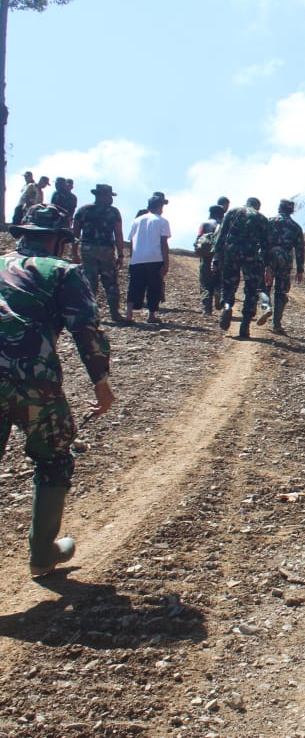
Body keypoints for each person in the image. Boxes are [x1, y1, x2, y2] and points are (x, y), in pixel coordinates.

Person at [1, 204, 114, 577]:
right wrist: (101, 383)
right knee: (53, 457)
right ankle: (42, 554)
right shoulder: (63, 271)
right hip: (32, 380)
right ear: (58, 239)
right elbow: (86, 329)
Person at [213, 196, 270, 338]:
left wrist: (216, 255)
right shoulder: (262, 218)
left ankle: (227, 306)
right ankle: (245, 325)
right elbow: (265, 244)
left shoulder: (233, 212)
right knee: (251, 289)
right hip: (251, 255)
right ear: (257, 207)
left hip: (231, 252)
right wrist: (267, 265)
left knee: (229, 284)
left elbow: (221, 234)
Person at [71, 184, 126, 322]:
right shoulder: (113, 212)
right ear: (103, 196)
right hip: (106, 251)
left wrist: (74, 253)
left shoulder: (83, 210)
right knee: (111, 283)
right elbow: (118, 234)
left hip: (88, 249)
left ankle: (90, 314)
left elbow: (75, 233)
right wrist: (120, 255)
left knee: (90, 282)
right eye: (109, 196)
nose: (110, 199)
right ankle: (114, 313)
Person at [124, 193, 171, 325]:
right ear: (160, 207)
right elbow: (163, 243)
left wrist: (132, 257)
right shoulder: (162, 221)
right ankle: (151, 315)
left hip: (137, 258)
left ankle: (128, 314)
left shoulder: (137, 220)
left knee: (134, 286)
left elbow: (132, 240)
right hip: (155, 258)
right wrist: (166, 263)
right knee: (154, 287)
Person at [266, 199, 305, 334]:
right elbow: (300, 250)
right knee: (281, 290)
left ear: (279, 208)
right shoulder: (296, 227)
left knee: (264, 285)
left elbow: (260, 240)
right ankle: (276, 324)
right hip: (285, 258)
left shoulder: (269, 221)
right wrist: (300, 270)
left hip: (269, 255)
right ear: (292, 211)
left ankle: (266, 307)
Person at [194, 205, 225, 314]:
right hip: (221, 256)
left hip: (206, 256)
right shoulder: (224, 225)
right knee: (219, 278)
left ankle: (207, 309)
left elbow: (198, 239)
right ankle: (218, 290)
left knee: (205, 283)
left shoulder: (205, 224)